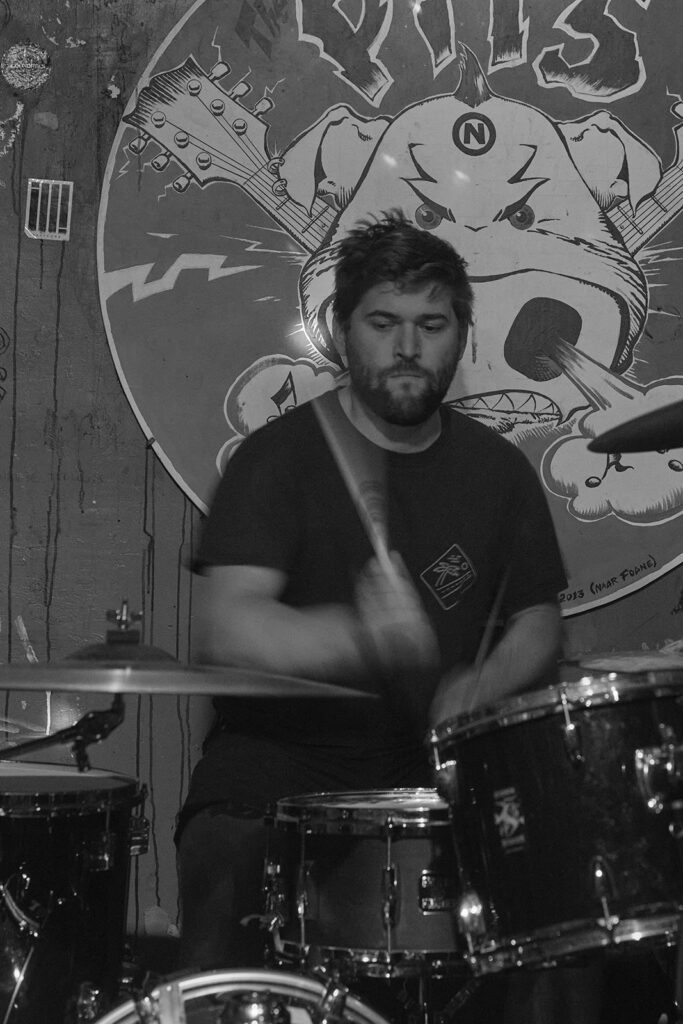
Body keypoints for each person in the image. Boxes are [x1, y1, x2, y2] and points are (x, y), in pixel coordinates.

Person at [176, 210, 567, 976]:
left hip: (429, 770)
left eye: (432, 324)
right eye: (383, 323)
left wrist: (482, 685)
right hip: (278, 772)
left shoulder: (497, 472)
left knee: (562, 900)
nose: (408, 347)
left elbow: (538, 619)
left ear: (462, 335)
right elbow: (227, 627)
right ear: (341, 330)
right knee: (225, 866)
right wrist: (359, 637)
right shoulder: (278, 459)